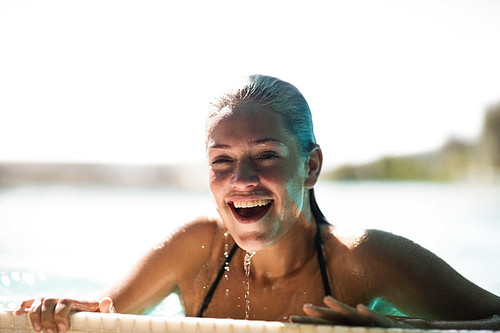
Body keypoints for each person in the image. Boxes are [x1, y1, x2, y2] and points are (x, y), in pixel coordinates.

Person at [15, 75, 500, 331]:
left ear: (310, 168)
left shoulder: (362, 261)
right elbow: (101, 314)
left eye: (265, 156)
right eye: (222, 161)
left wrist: (404, 329)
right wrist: (60, 310)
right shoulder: (195, 250)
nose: (241, 180)